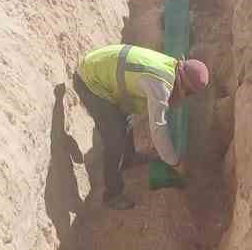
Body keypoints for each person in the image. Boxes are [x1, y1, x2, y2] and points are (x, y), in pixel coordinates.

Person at [74, 44, 209, 202]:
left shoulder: (171, 66)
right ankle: (113, 194)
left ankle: (129, 158)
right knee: (115, 139)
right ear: (184, 85)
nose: (186, 98)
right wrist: (174, 162)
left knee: (126, 118)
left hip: (103, 67)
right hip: (90, 80)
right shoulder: (160, 85)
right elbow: (158, 128)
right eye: (189, 93)